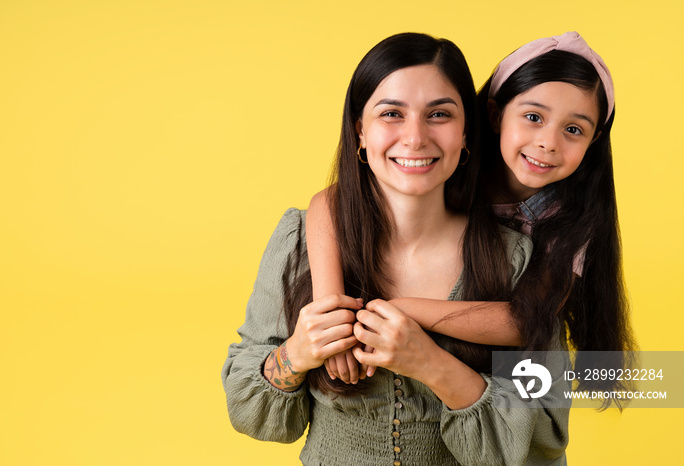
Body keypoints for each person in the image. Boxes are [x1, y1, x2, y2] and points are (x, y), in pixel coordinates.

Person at [223, 33, 570, 466]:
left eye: (439, 114)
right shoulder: (302, 239)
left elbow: (546, 437)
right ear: (360, 131)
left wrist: (431, 364)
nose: (415, 137)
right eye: (391, 113)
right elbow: (249, 412)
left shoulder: (518, 259)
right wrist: (297, 353)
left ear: (465, 134)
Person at [309, 32, 635, 400]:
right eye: (533, 117)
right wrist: (329, 313)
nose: (549, 142)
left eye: (573, 129)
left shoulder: (573, 218)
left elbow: (527, 321)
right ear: (495, 115)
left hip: (504, 381)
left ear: (593, 141)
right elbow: (333, 200)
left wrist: (401, 309)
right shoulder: (446, 161)